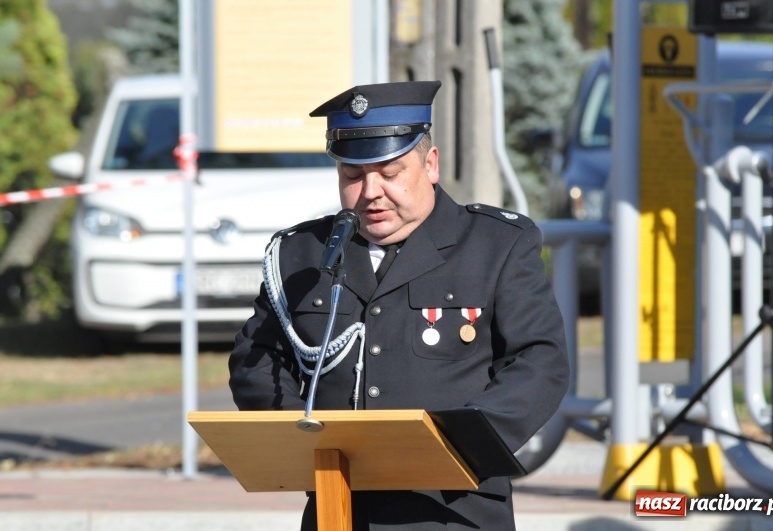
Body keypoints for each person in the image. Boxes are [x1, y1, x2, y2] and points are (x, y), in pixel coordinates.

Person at [229, 80, 570, 530]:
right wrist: (303, 440)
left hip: (453, 505)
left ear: (430, 165)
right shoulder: (303, 255)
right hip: (339, 506)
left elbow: (539, 359)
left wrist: (460, 444)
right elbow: (256, 362)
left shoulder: (495, 245)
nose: (371, 191)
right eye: (353, 176)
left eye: (390, 173)